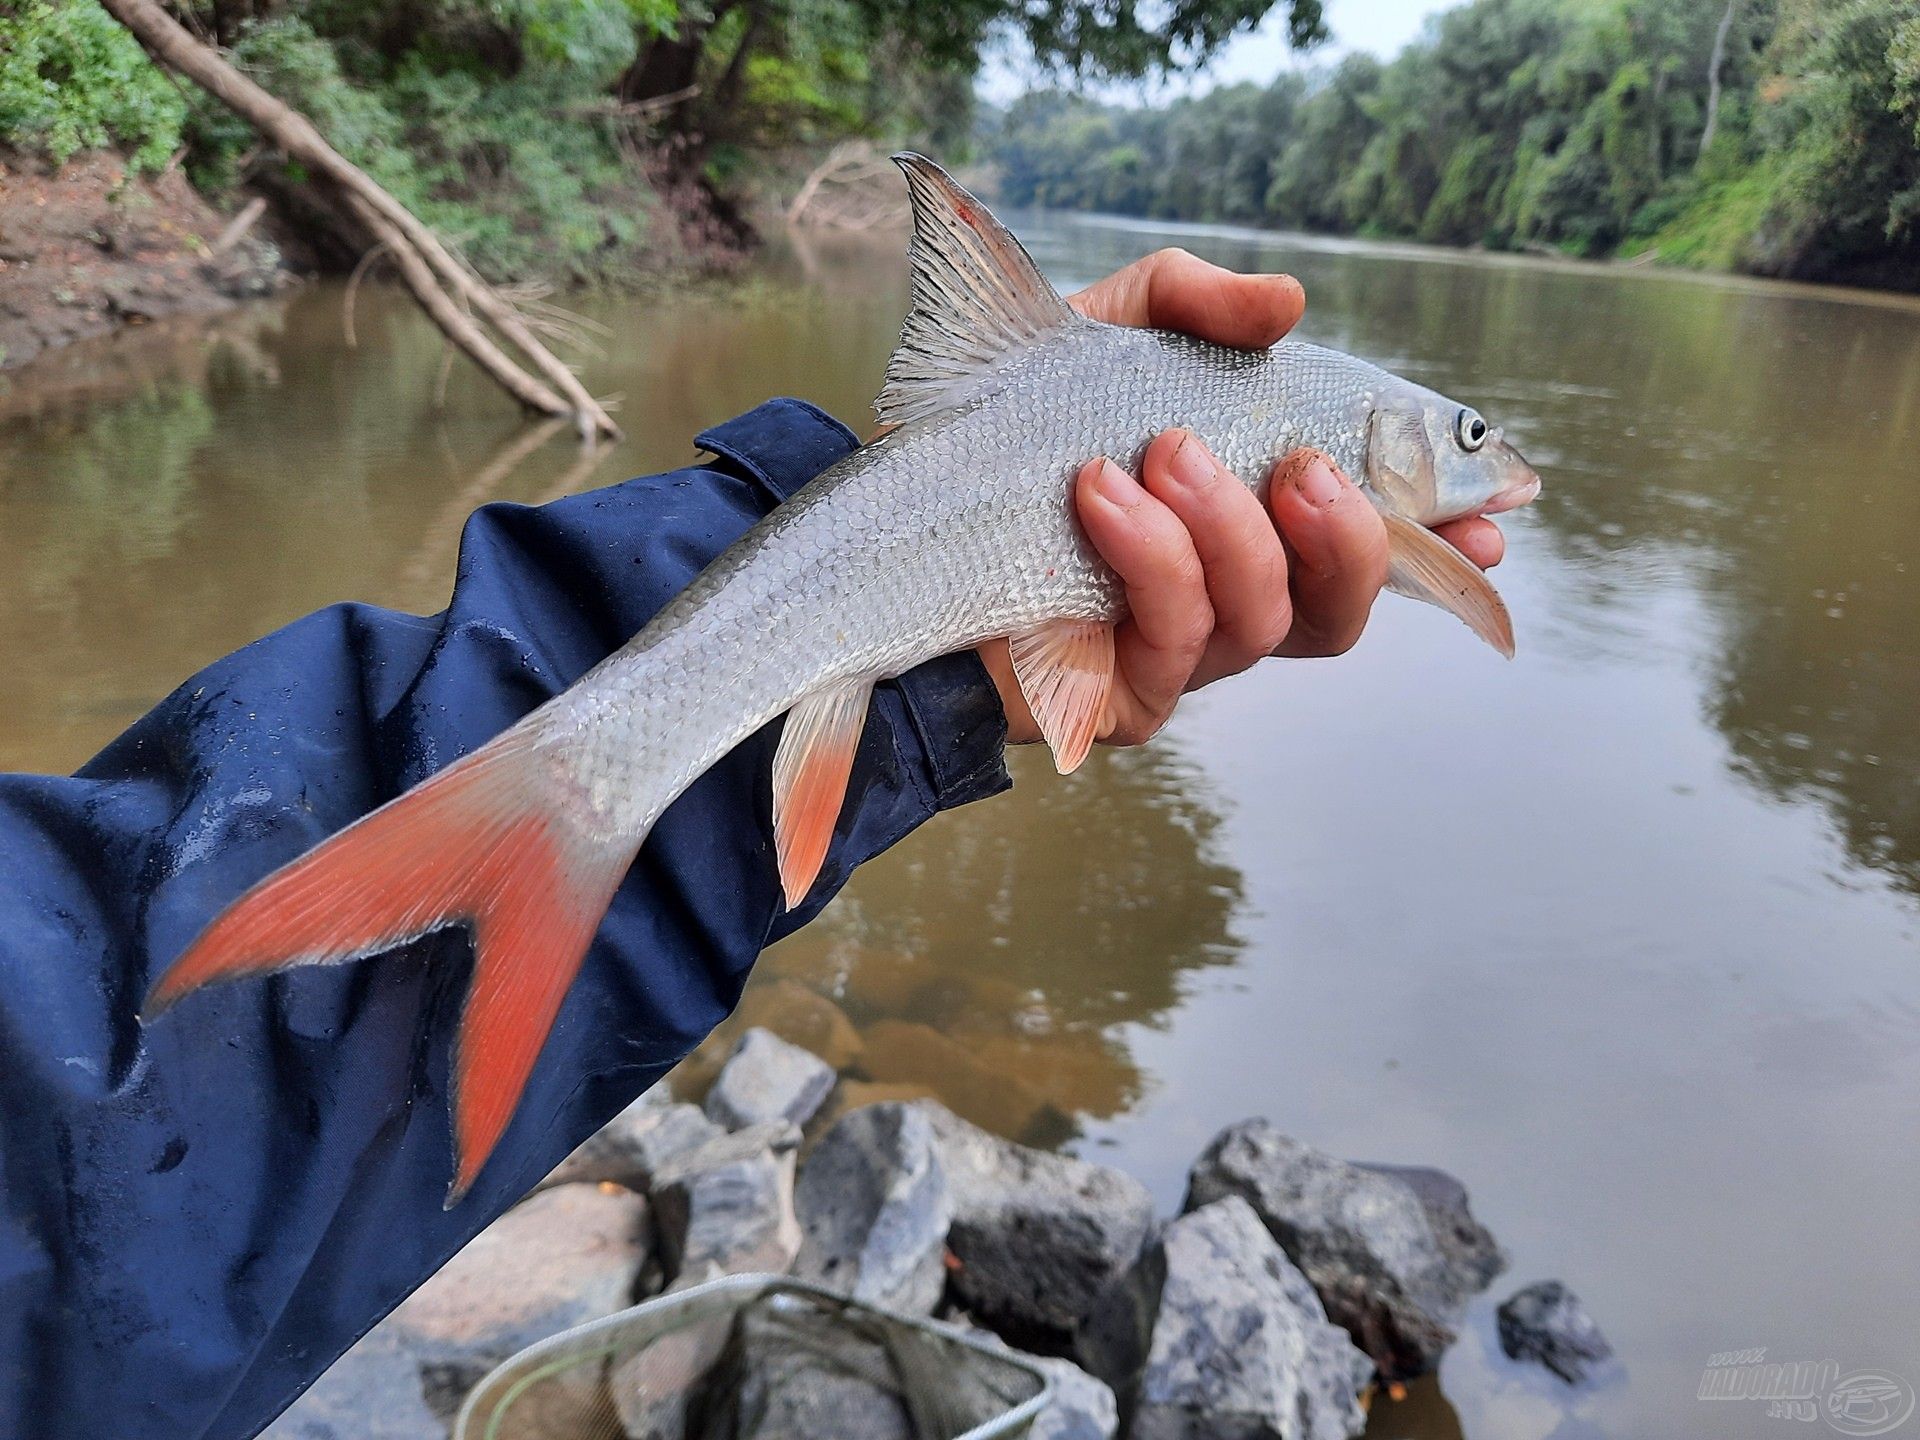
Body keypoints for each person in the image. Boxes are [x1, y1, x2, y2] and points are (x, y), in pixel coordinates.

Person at [0, 251, 1504, 1440]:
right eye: (1466, 441)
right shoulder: (1340, 433)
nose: (1480, 465)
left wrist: (935, 649)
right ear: (1380, 436)